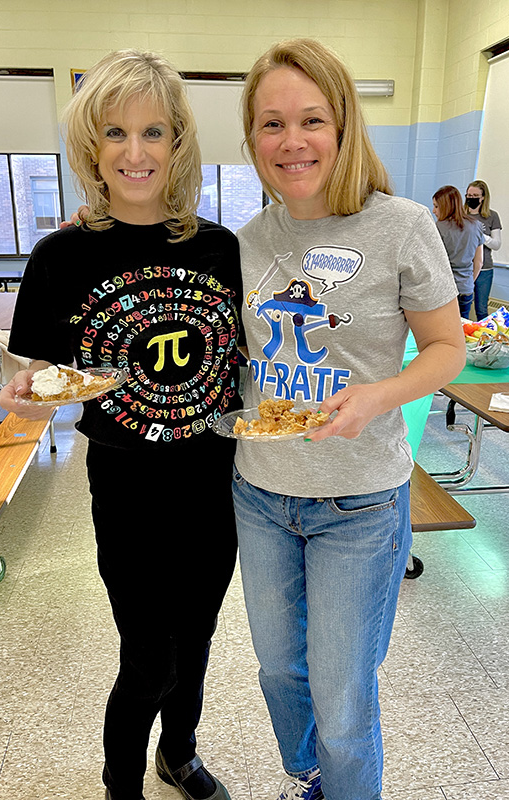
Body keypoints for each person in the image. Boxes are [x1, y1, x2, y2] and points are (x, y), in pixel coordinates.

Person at [0, 49, 243, 800]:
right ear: (90, 148)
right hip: (125, 482)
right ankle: (120, 784)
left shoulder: (220, 247)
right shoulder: (59, 253)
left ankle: (180, 753)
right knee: (148, 653)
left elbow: (243, 365)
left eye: (154, 133)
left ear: (178, 144)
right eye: (114, 133)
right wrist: (30, 396)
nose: (134, 153)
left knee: (196, 639)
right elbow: (31, 376)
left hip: (211, 478)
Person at [232, 39, 466, 800]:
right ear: (251, 136)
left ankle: (346, 786)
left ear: (343, 128)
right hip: (261, 492)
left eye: (310, 120)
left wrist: (377, 395)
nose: (290, 142)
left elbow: (444, 350)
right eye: (271, 124)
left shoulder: (398, 224)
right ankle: (310, 780)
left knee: (341, 695)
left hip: (359, 502)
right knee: (276, 670)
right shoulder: (245, 241)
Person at [432, 185, 484, 318]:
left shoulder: (439, 227)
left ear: (446, 206)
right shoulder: (476, 225)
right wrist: (468, 282)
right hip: (466, 288)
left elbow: (435, 263)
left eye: (436, 206)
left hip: (446, 290)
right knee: (463, 329)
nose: (433, 211)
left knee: (444, 330)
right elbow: (479, 262)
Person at [464, 179, 502, 320]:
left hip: (485, 269)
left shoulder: (492, 216)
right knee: (462, 308)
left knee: (481, 309)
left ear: (483, 197)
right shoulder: (461, 215)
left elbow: (497, 244)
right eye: (469, 195)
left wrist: (480, 236)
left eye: (475, 196)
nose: (471, 199)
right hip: (464, 269)